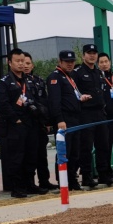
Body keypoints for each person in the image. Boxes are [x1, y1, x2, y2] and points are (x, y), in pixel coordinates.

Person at [0, 48, 41, 198]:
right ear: (10, 62)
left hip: (31, 123)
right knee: (17, 156)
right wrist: (15, 119)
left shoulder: (29, 80)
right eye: (18, 61)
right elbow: (3, 104)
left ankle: (30, 184)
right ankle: (17, 187)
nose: (21, 64)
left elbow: (34, 99)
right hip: (16, 124)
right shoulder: (5, 82)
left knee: (31, 155)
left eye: (23, 61)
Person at [74, 43, 113, 187]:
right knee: (86, 147)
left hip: (100, 113)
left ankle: (104, 175)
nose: (92, 55)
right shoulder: (77, 72)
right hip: (86, 113)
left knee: (103, 145)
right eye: (89, 53)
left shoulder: (98, 72)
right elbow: (75, 93)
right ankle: (87, 176)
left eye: (94, 53)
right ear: (84, 55)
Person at [46, 50, 86, 191]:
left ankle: (72, 179)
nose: (70, 64)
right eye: (66, 62)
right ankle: (63, 180)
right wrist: (59, 119)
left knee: (75, 152)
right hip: (64, 119)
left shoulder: (70, 77)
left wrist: (81, 98)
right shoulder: (55, 77)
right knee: (65, 152)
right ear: (60, 61)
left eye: (72, 62)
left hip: (75, 118)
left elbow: (72, 96)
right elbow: (54, 102)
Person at [22, 52, 57, 192]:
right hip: (28, 122)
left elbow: (46, 101)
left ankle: (44, 181)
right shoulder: (19, 81)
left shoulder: (39, 80)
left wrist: (48, 121)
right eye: (22, 63)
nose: (25, 66)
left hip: (41, 122)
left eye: (28, 63)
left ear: (33, 65)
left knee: (42, 154)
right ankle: (30, 183)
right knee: (30, 155)